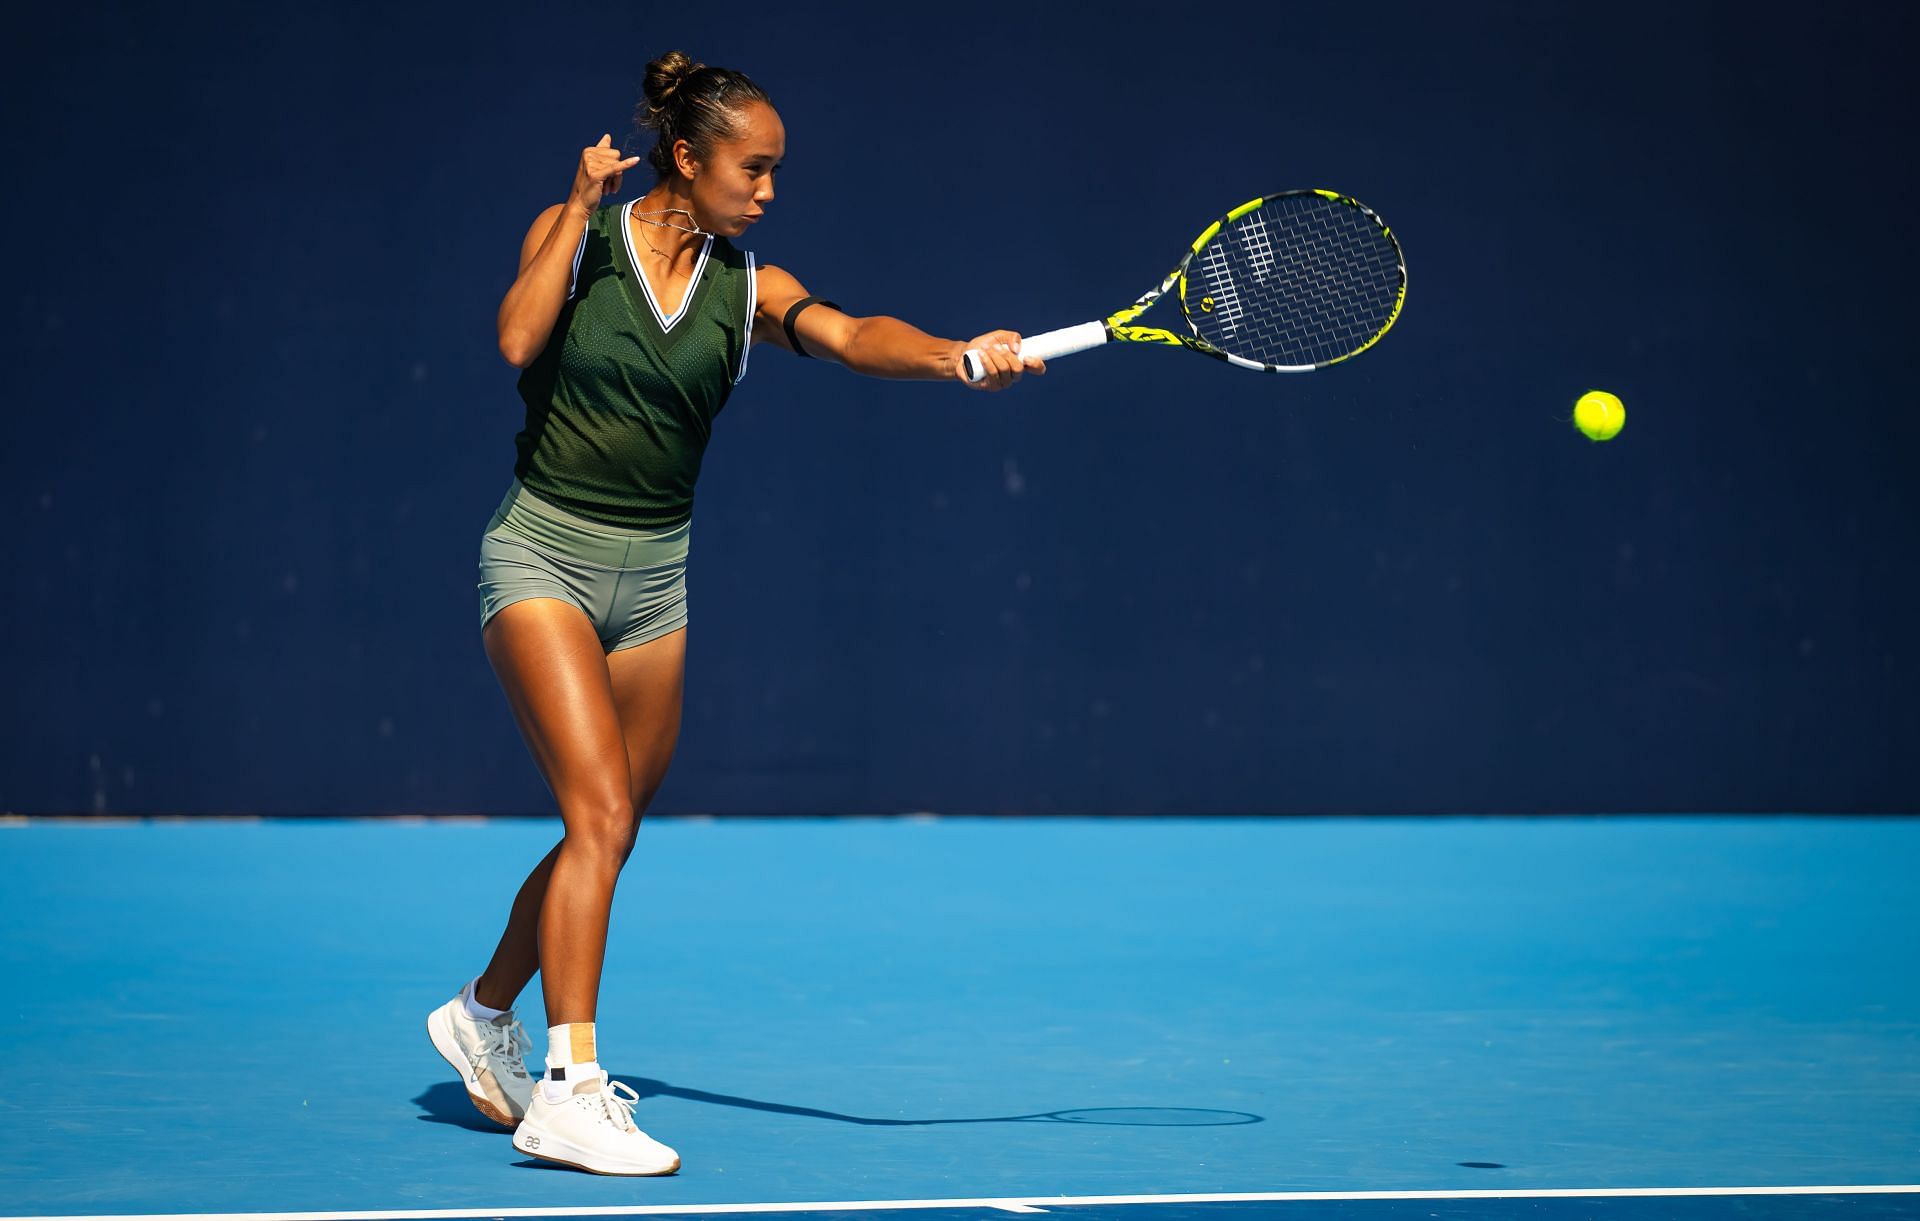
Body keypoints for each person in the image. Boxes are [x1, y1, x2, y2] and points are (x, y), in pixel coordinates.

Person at [425, 50, 1042, 1178]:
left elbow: (854, 336)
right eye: (752, 169)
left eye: (774, 172)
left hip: (656, 582)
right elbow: (517, 340)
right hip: (543, 557)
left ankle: (481, 1013)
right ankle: (567, 1088)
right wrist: (574, 207)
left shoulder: (747, 288)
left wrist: (956, 357)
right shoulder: (584, 241)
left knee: (600, 831)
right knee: (603, 815)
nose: (767, 190)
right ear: (687, 156)